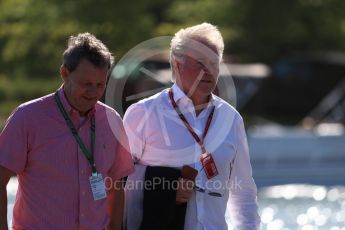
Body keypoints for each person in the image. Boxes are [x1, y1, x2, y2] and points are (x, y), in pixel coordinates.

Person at [123, 23, 260, 230]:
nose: (208, 70)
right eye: (200, 62)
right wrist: (167, 188)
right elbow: (118, 181)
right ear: (177, 65)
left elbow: (244, 194)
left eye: (214, 63)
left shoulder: (231, 119)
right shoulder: (143, 113)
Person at [0, 32, 134, 230]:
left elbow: (116, 186)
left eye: (100, 85)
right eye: (86, 84)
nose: (93, 92)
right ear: (64, 73)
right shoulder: (28, 117)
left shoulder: (112, 120)